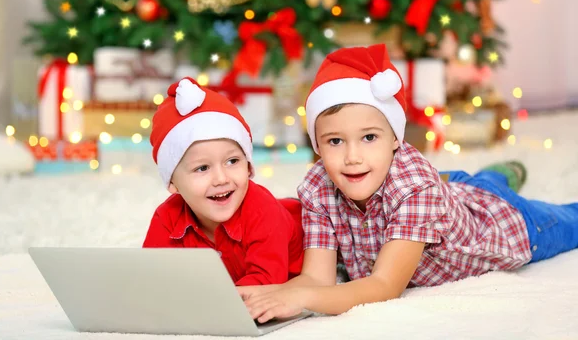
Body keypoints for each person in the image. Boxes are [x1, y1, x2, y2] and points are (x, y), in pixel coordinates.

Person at [239, 44, 578, 322]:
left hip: (506, 223)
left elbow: (385, 284)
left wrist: (303, 296)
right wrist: (278, 293)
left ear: (396, 140)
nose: (352, 157)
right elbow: (318, 279)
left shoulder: (416, 186)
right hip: (451, 191)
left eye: (369, 137)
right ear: (317, 145)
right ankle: (496, 174)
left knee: (569, 222)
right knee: (473, 183)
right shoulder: (317, 186)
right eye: (335, 142)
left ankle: (498, 180)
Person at [143, 77, 304, 286]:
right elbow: (152, 277)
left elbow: (265, 284)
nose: (221, 179)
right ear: (172, 183)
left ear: (248, 166)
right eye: (202, 168)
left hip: (306, 242)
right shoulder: (167, 219)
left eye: (232, 161)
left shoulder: (264, 213)